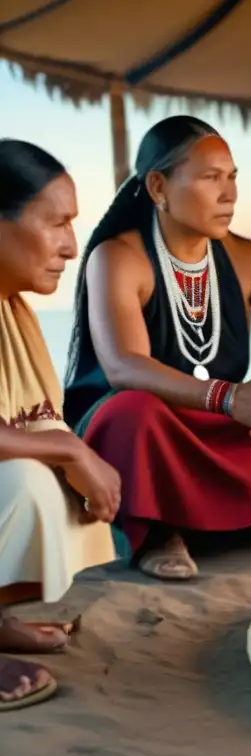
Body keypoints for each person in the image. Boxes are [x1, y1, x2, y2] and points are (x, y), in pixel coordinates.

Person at [63, 116, 251, 582]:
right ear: (158, 186)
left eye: (232, 177)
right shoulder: (118, 257)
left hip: (221, 420)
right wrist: (230, 398)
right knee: (132, 411)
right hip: (152, 426)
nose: (229, 194)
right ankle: (160, 531)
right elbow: (123, 367)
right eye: (211, 178)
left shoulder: (247, 256)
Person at [0, 140, 117, 710]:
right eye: (57, 224)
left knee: (45, 473)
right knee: (25, 480)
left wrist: (68, 451)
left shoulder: (9, 307)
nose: (72, 246)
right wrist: (71, 452)